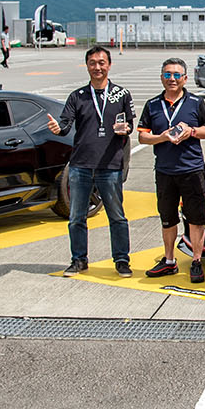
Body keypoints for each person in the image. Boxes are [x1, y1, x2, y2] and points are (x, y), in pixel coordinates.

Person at [47, 46, 135, 277]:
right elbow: (65, 123)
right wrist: (57, 129)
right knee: (77, 217)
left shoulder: (121, 94)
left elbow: (130, 125)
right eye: (93, 63)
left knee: (116, 216)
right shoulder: (78, 96)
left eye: (101, 62)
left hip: (110, 166)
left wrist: (126, 129)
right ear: (87, 66)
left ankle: (122, 260)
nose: (97, 67)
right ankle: (78, 260)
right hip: (81, 166)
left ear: (109, 64)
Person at [138, 57, 205, 282]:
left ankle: (197, 261)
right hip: (165, 170)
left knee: (196, 218)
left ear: (185, 78)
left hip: (191, 169)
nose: (172, 79)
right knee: (167, 217)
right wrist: (161, 137)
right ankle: (169, 260)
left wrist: (191, 131)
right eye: (168, 75)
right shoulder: (152, 104)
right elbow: (142, 136)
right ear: (162, 77)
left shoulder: (196, 102)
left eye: (176, 75)